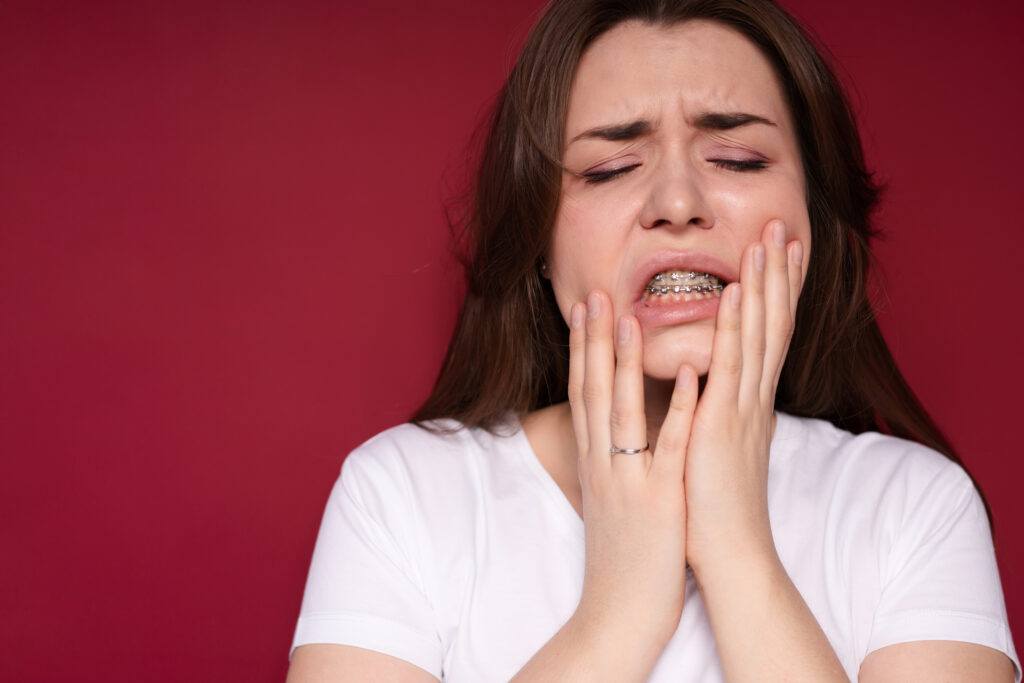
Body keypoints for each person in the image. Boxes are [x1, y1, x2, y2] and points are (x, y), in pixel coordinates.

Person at [286, 0, 1020, 680]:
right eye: (610, 168)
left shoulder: (915, 508)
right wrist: (622, 605)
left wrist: (738, 548)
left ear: (812, 222)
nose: (677, 203)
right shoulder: (401, 496)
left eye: (737, 159)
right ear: (540, 239)